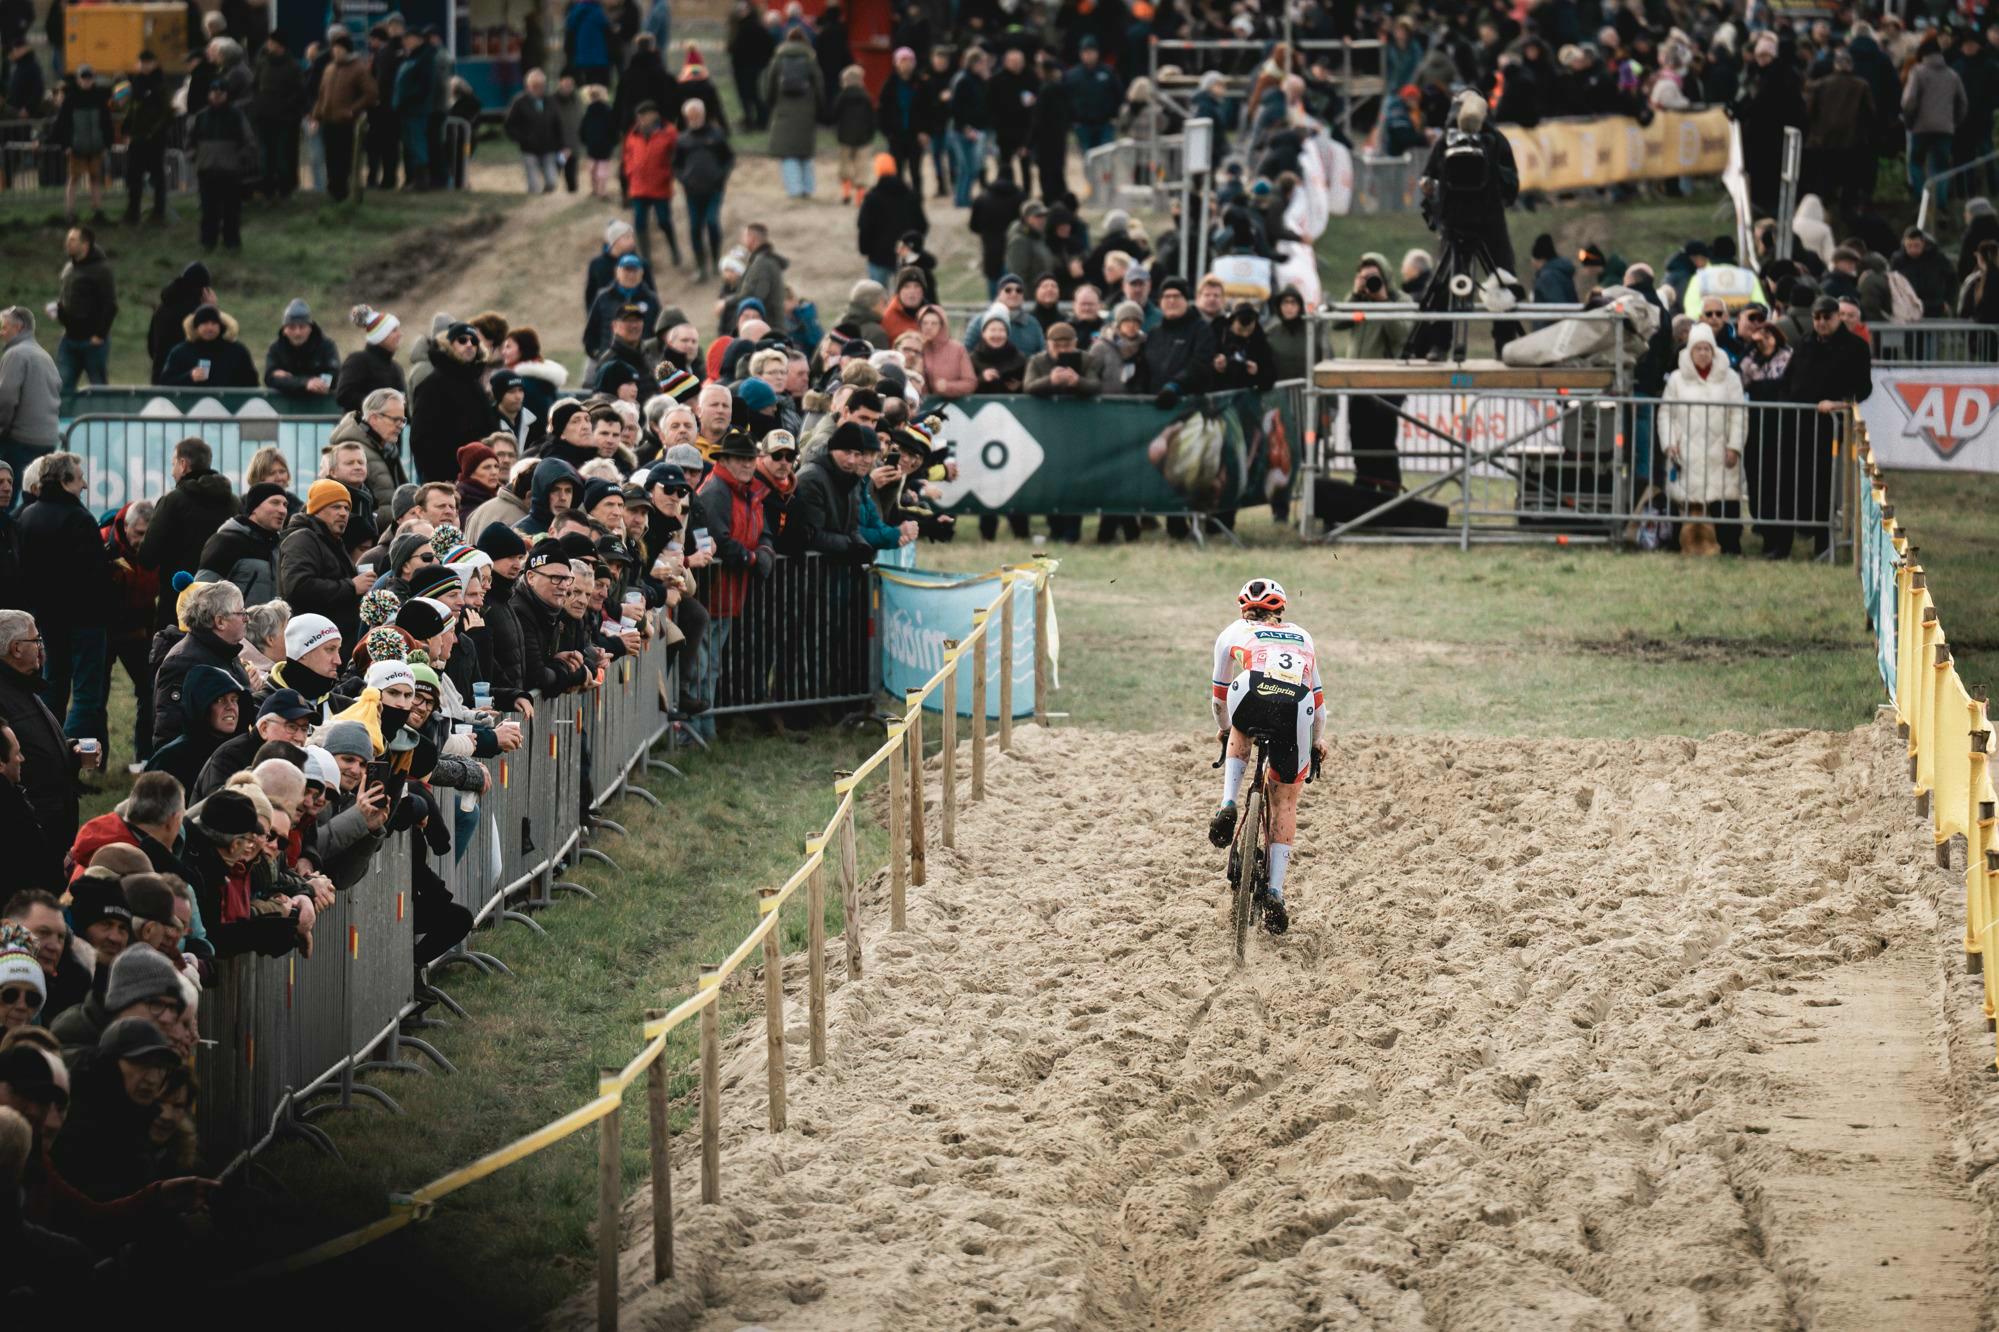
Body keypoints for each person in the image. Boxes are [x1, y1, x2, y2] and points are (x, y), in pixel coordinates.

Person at [1205, 579, 1324, 936]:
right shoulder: (1303, 635)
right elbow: (1319, 708)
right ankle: (1274, 890)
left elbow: (1218, 697)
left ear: (1244, 609)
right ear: (1281, 611)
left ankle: (1228, 802)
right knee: (1285, 797)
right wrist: (1317, 743)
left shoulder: (1232, 633)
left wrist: (1226, 729)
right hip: (1297, 706)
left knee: (1240, 726)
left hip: (1252, 692)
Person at [16, 454, 111, 748]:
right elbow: (95, 576)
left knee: (52, 688)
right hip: (85, 621)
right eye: (79, 477)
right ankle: (72, 761)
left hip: (46, 619)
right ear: (64, 480)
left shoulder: (27, 516)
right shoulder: (79, 519)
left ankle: (45, 753)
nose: (84, 484)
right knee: (85, 696)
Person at [1658, 323, 1747, 556]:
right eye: (1698, 348)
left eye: (1707, 348)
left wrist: (1735, 446)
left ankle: (1729, 546)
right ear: (1690, 351)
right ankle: (1680, 543)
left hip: (1721, 451)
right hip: (1685, 451)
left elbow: (1739, 414)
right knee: (1683, 499)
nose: (1703, 353)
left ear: (1714, 350)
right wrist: (1669, 443)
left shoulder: (1730, 379)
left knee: (1724, 498)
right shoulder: (1677, 379)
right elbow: (1665, 413)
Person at [135, 438, 236, 628]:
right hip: (223, 606)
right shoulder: (233, 503)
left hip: (178, 604)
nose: (172, 471)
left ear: (183, 465)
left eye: (173, 464)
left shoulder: (173, 501)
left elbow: (147, 556)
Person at [410, 322, 494, 483]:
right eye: (462, 340)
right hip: (447, 482)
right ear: (449, 345)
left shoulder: (474, 384)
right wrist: (441, 479)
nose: (469, 344)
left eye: (474, 341)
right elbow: (420, 440)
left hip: (478, 478)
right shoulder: (432, 385)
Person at [190, 81, 256, 251]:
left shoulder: (236, 116)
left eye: (220, 93)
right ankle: (208, 242)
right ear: (209, 95)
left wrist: (239, 159)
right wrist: (194, 157)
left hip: (230, 171)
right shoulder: (200, 117)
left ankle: (231, 242)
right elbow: (190, 142)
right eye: (214, 92)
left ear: (226, 95)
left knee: (231, 210)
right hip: (206, 170)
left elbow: (248, 142)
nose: (217, 96)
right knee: (208, 210)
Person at [673, 97, 733, 281]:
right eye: (690, 117)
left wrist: (721, 177)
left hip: (714, 190)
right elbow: (676, 165)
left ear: (703, 115)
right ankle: (701, 266)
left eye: (697, 116)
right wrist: (684, 179)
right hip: (692, 192)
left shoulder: (716, 135)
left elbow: (728, 158)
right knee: (694, 228)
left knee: (713, 223)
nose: (694, 120)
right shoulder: (682, 139)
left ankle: (715, 261)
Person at [313, 31, 375, 202]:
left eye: (340, 49)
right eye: (334, 49)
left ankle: (344, 191)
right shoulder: (329, 69)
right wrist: (316, 116)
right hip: (328, 120)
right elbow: (322, 94)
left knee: (344, 158)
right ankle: (333, 191)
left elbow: (371, 93)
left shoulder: (358, 68)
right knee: (330, 157)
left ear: (347, 50)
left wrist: (353, 110)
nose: (336, 52)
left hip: (346, 122)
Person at [0, 307, 59, 485]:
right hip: (48, 439)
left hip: (21, 439)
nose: (2, 333)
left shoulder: (15, 354)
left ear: (18, 328)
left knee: (6, 494)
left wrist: (1, 429)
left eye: (4, 327)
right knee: (33, 493)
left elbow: (6, 398)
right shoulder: (45, 356)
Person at [53, 226, 115, 394]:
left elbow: (110, 305)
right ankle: (60, 420)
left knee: (98, 388)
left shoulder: (101, 270)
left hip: (92, 341)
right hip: (69, 338)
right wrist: (59, 311)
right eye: (68, 239)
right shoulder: (68, 268)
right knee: (61, 386)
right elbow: (65, 297)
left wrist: (100, 335)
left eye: (72, 240)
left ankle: (101, 419)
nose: (67, 243)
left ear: (85, 244)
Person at [763, 27, 822, 198]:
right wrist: (819, 106)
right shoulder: (810, 58)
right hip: (806, 110)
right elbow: (819, 84)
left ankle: (794, 190)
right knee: (805, 151)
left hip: (784, 110)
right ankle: (808, 188)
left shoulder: (778, 59)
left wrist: (771, 103)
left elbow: (770, 85)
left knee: (787, 152)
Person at [624, 101, 682, 269]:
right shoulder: (633, 133)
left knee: (664, 221)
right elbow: (628, 154)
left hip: (660, 186)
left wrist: (669, 174)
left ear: (654, 115)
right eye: (639, 116)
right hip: (639, 186)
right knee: (640, 222)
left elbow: (677, 156)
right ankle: (646, 258)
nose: (641, 119)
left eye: (644, 115)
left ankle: (674, 250)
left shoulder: (669, 132)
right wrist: (630, 171)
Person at [121, 49, 173, 223]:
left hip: (154, 138)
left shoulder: (160, 83)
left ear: (154, 63)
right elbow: (132, 109)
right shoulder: (136, 82)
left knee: (157, 176)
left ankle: (158, 212)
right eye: (141, 63)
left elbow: (165, 112)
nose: (144, 66)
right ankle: (132, 211)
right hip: (137, 137)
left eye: (147, 62)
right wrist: (127, 129)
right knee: (134, 176)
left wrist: (152, 132)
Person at [160, 304, 258, 387]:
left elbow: (253, 383)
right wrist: (190, 377)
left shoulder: (237, 351)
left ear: (221, 326)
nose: (210, 328)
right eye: (204, 323)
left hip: (229, 407)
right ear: (196, 327)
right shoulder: (180, 352)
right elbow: (164, 383)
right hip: (191, 407)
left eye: (214, 323)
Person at [264, 298, 339, 398]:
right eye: (292, 327)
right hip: (285, 408)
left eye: (302, 327)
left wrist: (319, 384)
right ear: (284, 330)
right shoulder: (276, 349)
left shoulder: (326, 346)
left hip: (319, 407)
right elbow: (270, 377)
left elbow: (334, 374)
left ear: (310, 328)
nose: (297, 332)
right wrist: (305, 383)